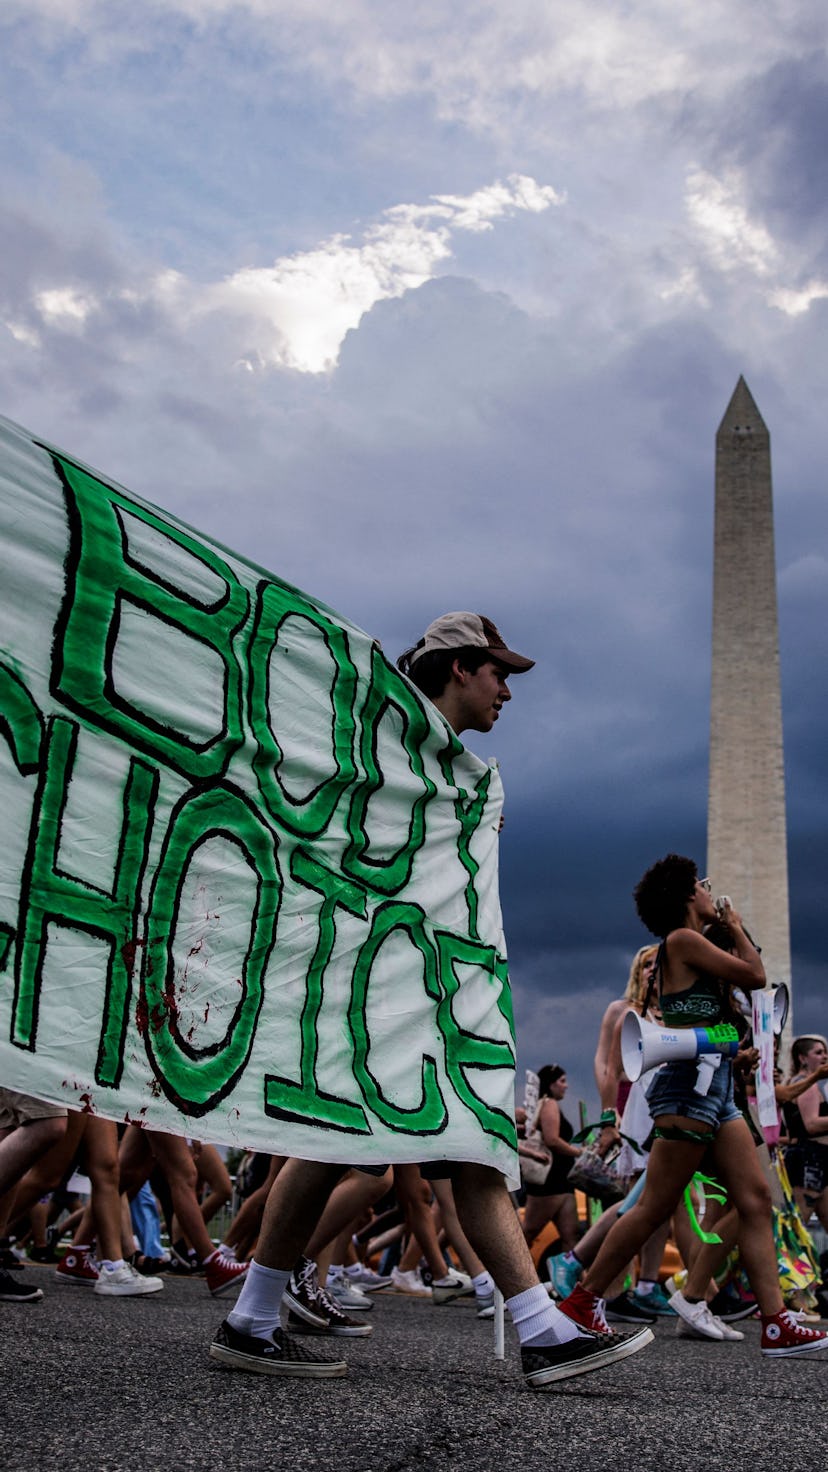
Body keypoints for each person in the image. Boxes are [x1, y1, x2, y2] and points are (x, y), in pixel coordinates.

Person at [209, 612, 653, 1385]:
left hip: (422, 986)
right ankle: (540, 1330)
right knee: (385, 1144)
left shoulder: (450, 771)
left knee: (429, 1144)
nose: (507, 691)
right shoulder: (393, 751)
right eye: (498, 673)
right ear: (457, 669)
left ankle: (254, 1317)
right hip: (390, 983)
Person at [557, 854, 828, 1358]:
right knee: (654, 1205)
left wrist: (737, 1051)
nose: (710, 889)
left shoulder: (686, 948)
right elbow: (755, 974)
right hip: (686, 1091)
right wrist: (736, 926)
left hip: (717, 1089)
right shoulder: (682, 941)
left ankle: (776, 1323)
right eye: (702, 884)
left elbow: (706, 1018)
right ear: (687, 897)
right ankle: (581, 1301)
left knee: (754, 1200)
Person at [521, 1065, 580, 1256]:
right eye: (562, 1081)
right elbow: (552, 1140)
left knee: (570, 1236)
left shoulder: (547, 1104)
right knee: (528, 1233)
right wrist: (577, 1152)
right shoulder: (549, 1104)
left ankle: (568, 1282)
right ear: (550, 1084)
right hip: (551, 1179)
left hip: (563, 1181)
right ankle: (503, 1275)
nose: (566, 1086)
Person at [782, 1036, 828, 1234]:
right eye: (818, 1052)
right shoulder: (805, 1084)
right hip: (809, 1161)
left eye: (825, 1052)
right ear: (802, 1058)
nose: (824, 1056)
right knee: (799, 1223)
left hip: (818, 1159)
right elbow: (811, 1124)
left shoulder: (806, 1084)